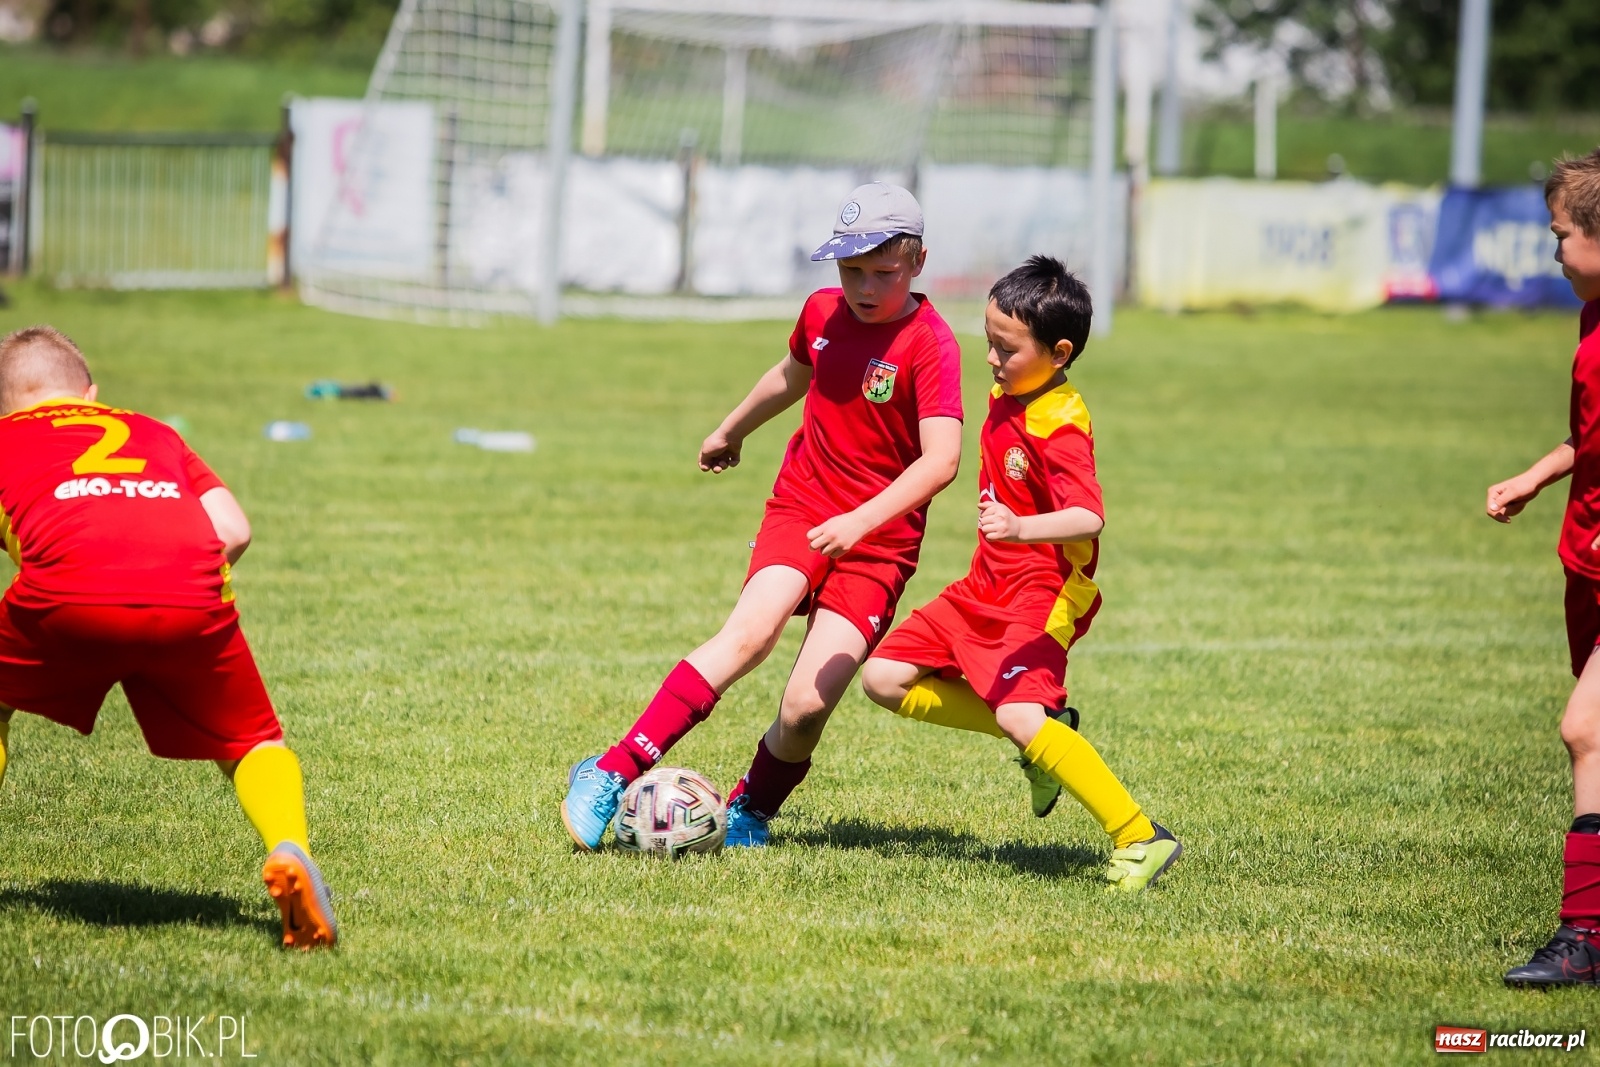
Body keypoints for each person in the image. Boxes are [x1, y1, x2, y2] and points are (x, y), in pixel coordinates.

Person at [561, 182, 964, 849]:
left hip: (879, 542)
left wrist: (861, 523)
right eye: (850, 271)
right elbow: (792, 373)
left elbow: (941, 460)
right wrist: (732, 429)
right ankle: (610, 770)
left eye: (883, 272)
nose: (864, 287)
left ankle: (750, 807)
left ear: (917, 262)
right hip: (803, 506)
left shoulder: (931, 345)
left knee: (806, 707)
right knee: (749, 635)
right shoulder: (821, 312)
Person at [0, 325, 336, 949]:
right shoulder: (154, 431)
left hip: (65, 592)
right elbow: (233, 528)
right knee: (252, 742)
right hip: (192, 589)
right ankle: (290, 847)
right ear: (92, 395)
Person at [860, 256, 1181, 891]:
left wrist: (1020, 527)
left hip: (1044, 591)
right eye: (988, 343)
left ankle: (1141, 836)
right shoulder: (1008, 389)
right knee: (883, 678)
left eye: (1005, 349)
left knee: (1016, 715)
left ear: (1059, 353)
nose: (991, 360)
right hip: (987, 582)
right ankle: (1044, 735)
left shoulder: (1058, 422)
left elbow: (1089, 516)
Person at [1488, 147, 1600, 985]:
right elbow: (1588, 435)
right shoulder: (1593, 317)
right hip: (1585, 560)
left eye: (1560, 234)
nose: (1553, 250)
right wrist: (1535, 475)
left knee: (1585, 730)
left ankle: (1584, 935)